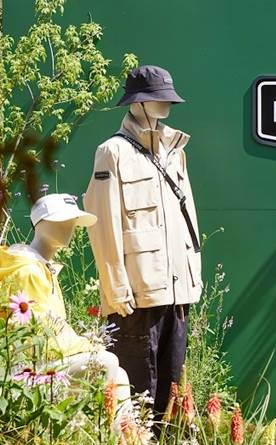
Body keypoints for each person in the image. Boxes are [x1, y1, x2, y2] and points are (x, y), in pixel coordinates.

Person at [84, 65, 202, 416]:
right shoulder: (113, 152)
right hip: (137, 295)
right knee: (138, 393)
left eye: (168, 98)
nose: (166, 105)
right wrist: (115, 288)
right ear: (137, 103)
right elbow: (103, 223)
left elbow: (187, 219)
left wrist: (192, 275)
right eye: (157, 98)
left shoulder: (174, 151)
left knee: (172, 389)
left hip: (177, 291)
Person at [0, 193, 131, 408]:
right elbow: (38, 335)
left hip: (47, 359)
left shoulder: (43, 267)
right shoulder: (28, 270)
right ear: (41, 224)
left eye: (72, 221)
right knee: (107, 362)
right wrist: (87, 345)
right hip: (27, 367)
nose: (70, 227)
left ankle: (126, 430)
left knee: (120, 375)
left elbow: (53, 327)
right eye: (62, 221)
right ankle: (106, 426)